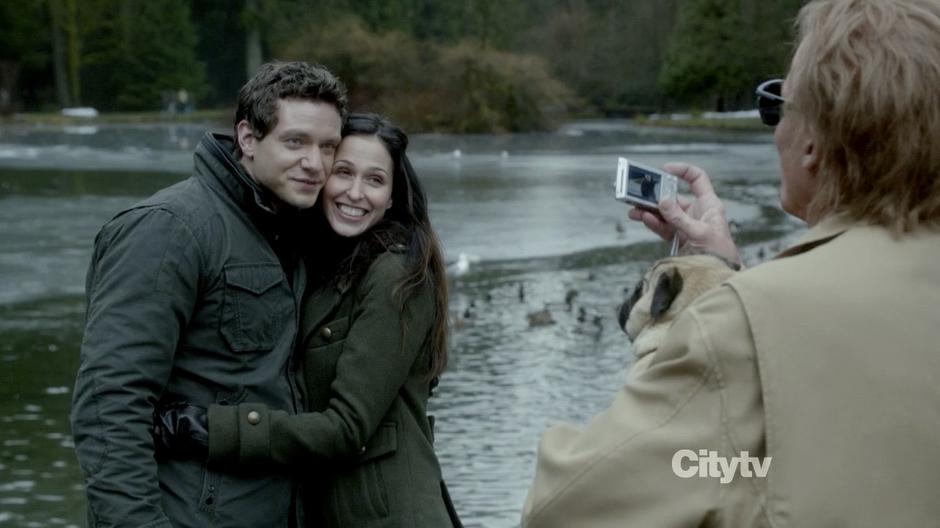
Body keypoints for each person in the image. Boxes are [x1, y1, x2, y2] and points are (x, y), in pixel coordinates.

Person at [523, 0, 940, 526]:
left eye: (776, 106)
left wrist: (693, 302)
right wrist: (722, 272)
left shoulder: (745, 325)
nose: (774, 130)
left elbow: (565, 506)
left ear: (812, 143)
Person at [70, 61, 347, 527]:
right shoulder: (169, 229)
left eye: (328, 147)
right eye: (295, 141)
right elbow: (110, 403)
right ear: (247, 138)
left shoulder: (292, 233)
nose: (315, 163)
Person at [158, 113, 461, 527]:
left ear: (392, 197)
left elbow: (345, 428)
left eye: (375, 180)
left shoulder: (396, 276)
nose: (355, 193)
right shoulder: (323, 267)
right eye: (343, 172)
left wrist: (207, 428)